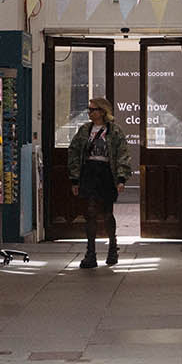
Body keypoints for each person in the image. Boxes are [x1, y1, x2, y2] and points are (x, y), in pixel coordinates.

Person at [66, 97, 132, 268]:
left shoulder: (115, 131)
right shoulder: (84, 131)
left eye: (93, 109)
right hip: (89, 172)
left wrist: (121, 178)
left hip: (106, 174)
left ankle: (112, 247)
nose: (89, 112)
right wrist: (75, 178)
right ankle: (91, 252)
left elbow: (123, 154)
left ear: (102, 112)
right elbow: (73, 152)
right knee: (90, 212)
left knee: (107, 212)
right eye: (89, 109)